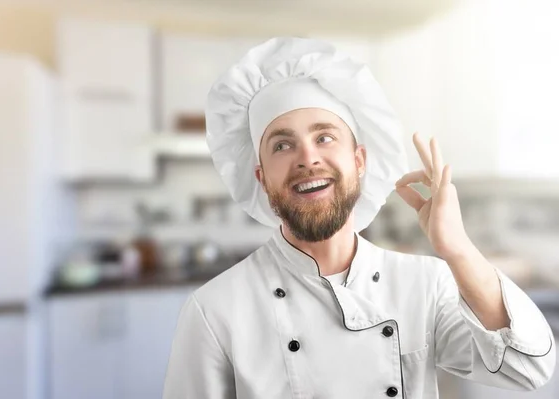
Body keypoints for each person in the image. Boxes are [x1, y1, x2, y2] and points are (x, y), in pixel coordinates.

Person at [162, 37, 555, 399]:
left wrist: (457, 247)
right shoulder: (215, 310)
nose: (307, 158)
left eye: (324, 137)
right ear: (262, 178)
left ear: (359, 160)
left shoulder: (424, 285)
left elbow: (529, 368)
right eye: (282, 144)